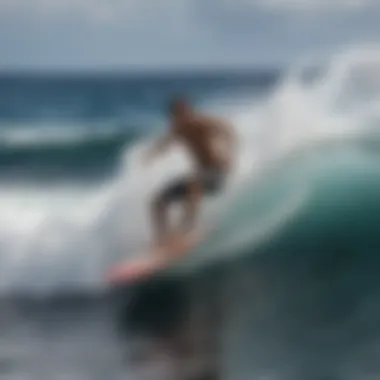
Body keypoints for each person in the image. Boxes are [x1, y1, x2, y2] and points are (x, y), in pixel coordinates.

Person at [144, 96, 236, 249]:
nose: (181, 119)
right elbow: (165, 142)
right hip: (200, 176)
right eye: (176, 116)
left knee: (194, 184)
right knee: (157, 201)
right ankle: (162, 239)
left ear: (189, 112)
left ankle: (186, 230)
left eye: (184, 113)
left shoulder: (202, 123)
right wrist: (152, 153)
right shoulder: (178, 130)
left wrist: (228, 153)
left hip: (217, 173)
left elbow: (227, 130)